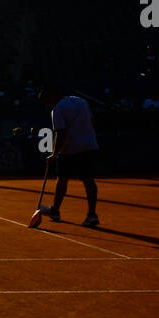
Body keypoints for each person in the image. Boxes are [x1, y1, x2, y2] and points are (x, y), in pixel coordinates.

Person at [39, 86, 99, 228]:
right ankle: (92, 215)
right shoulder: (80, 101)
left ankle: (55, 211)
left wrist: (54, 154)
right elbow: (92, 121)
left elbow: (60, 134)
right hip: (89, 146)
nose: (46, 105)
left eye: (45, 102)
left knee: (62, 180)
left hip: (69, 149)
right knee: (89, 180)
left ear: (51, 97)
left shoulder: (57, 110)